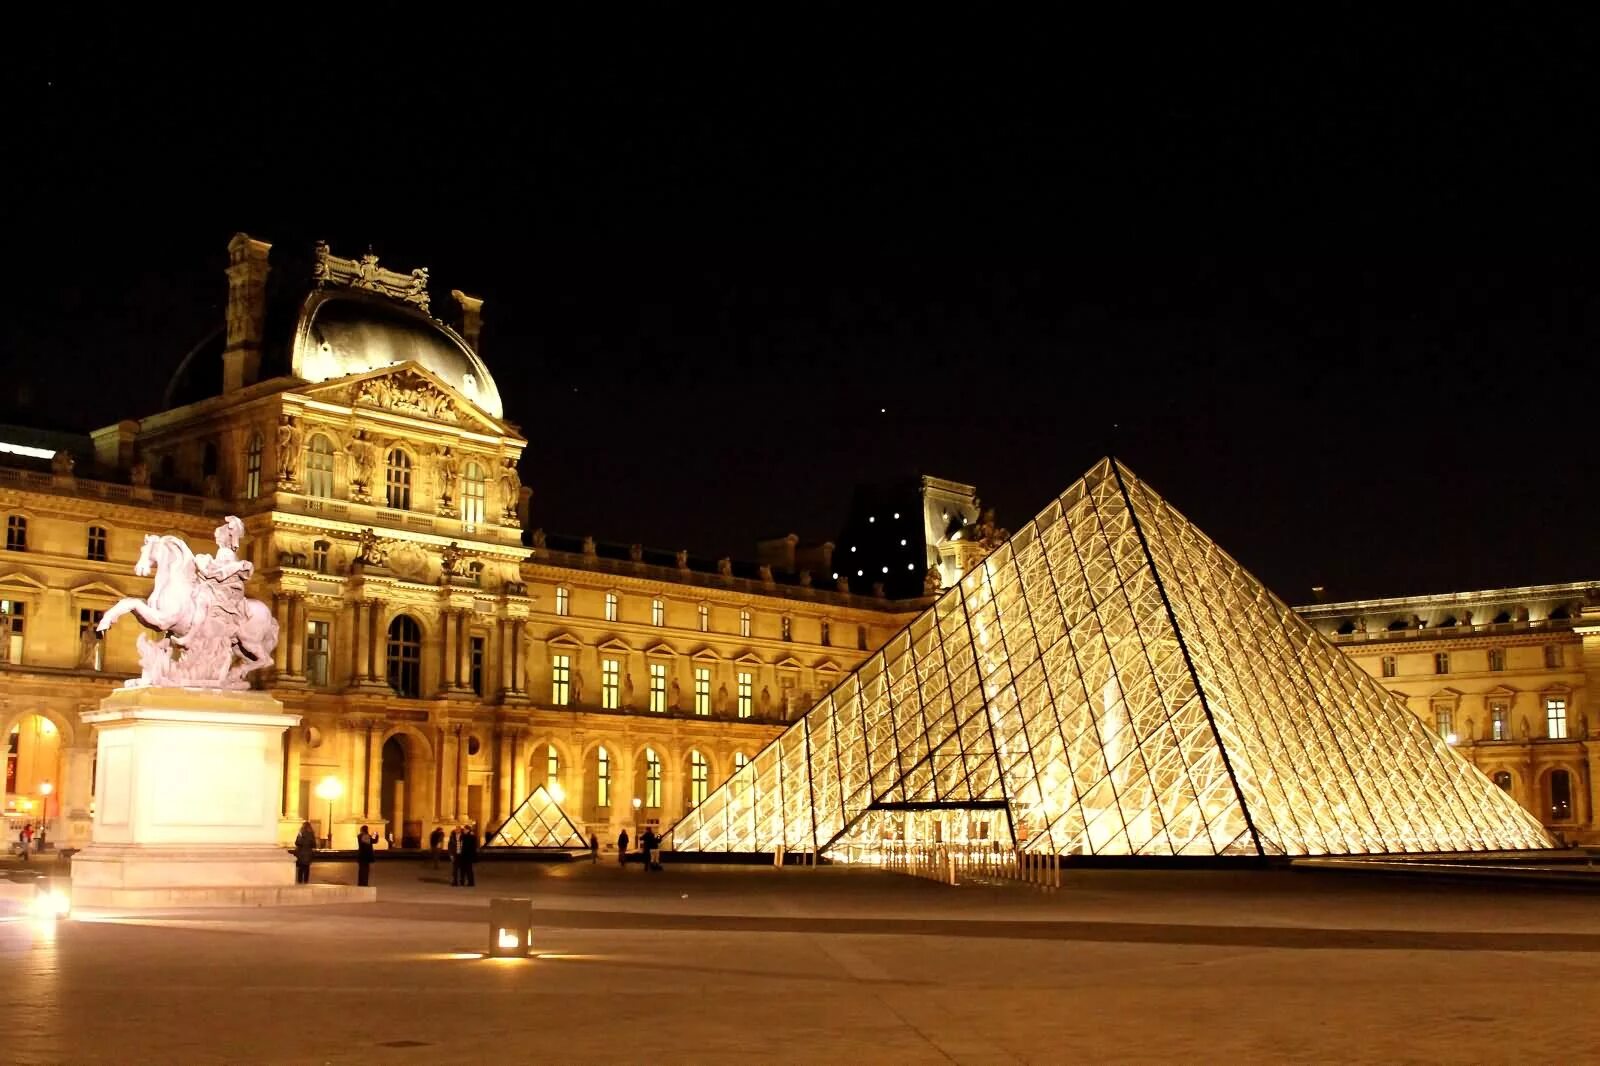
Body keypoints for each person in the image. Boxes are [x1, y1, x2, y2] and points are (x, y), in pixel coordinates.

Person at [293, 819, 317, 884]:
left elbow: (297, 843)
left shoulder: (300, 833)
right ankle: (306, 882)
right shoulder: (311, 834)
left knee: (300, 869)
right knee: (306, 868)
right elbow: (314, 845)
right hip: (308, 854)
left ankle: (300, 882)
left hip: (301, 854)